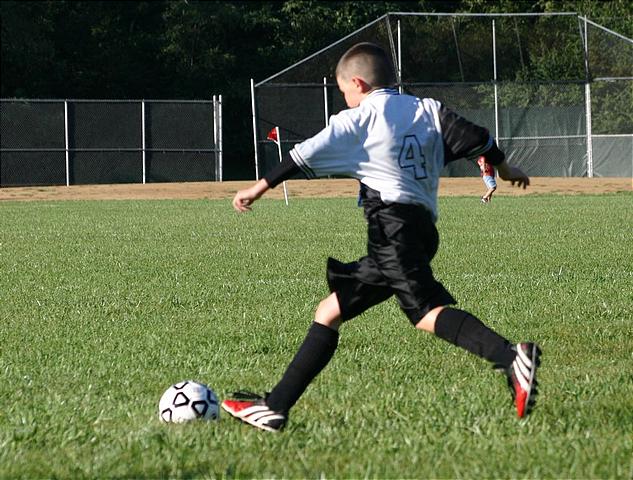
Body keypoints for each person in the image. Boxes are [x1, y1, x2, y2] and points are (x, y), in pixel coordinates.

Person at [222, 42, 541, 432]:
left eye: (344, 91)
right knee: (330, 311)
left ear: (357, 82)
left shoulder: (357, 120)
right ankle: (276, 406)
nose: (346, 99)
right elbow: (480, 139)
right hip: (421, 230)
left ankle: (510, 356)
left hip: (391, 229)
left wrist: (255, 190)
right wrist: (505, 169)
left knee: (424, 312)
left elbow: (301, 156)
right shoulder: (427, 109)